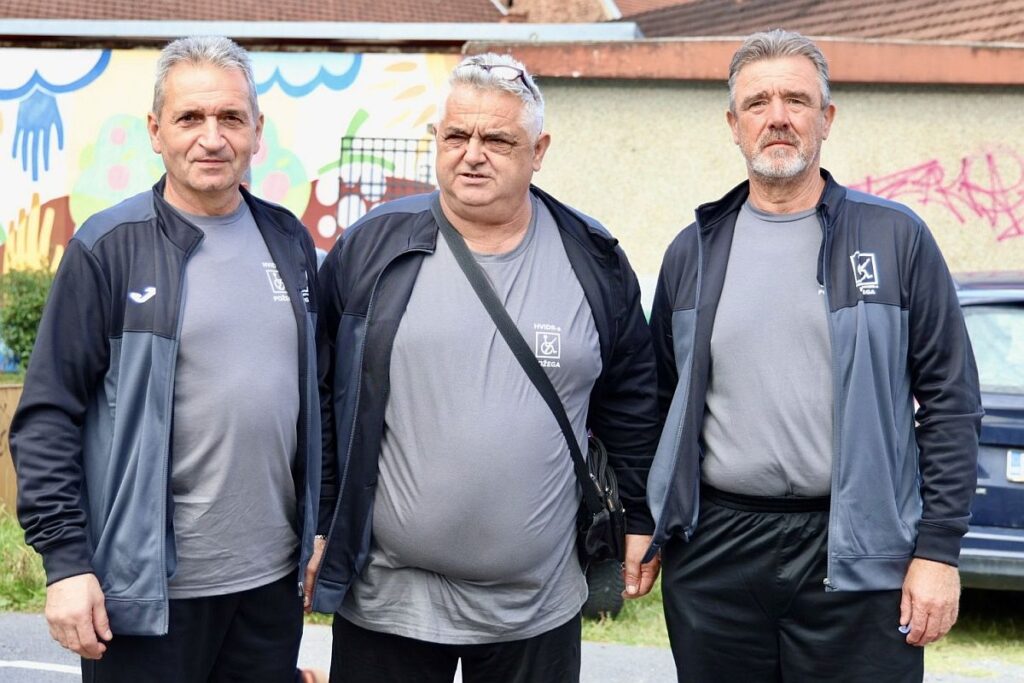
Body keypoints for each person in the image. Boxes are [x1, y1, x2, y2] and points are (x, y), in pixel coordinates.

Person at [305, 53, 661, 683]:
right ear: (435, 140)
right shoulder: (371, 247)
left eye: (497, 139)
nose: (472, 155)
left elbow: (631, 397)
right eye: (456, 136)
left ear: (538, 150)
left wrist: (639, 515)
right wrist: (320, 519)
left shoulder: (592, 258)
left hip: (536, 608)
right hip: (389, 602)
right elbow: (321, 393)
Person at [646, 29, 983, 683]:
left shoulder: (896, 238)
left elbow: (951, 402)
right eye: (758, 102)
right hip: (716, 553)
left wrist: (939, 551)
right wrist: (649, 520)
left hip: (860, 551)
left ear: (826, 118)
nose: (777, 117)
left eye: (796, 100)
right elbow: (657, 401)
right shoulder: (694, 251)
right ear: (734, 125)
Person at [9, 35, 324, 682]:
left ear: (257, 131)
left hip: (268, 587)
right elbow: (46, 417)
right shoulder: (108, 248)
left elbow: (319, 397)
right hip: (145, 594)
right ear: (156, 131)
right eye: (189, 118)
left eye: (230, 117)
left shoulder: (289, 241)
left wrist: (321, 529)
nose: (212, 138)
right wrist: (66, 564)